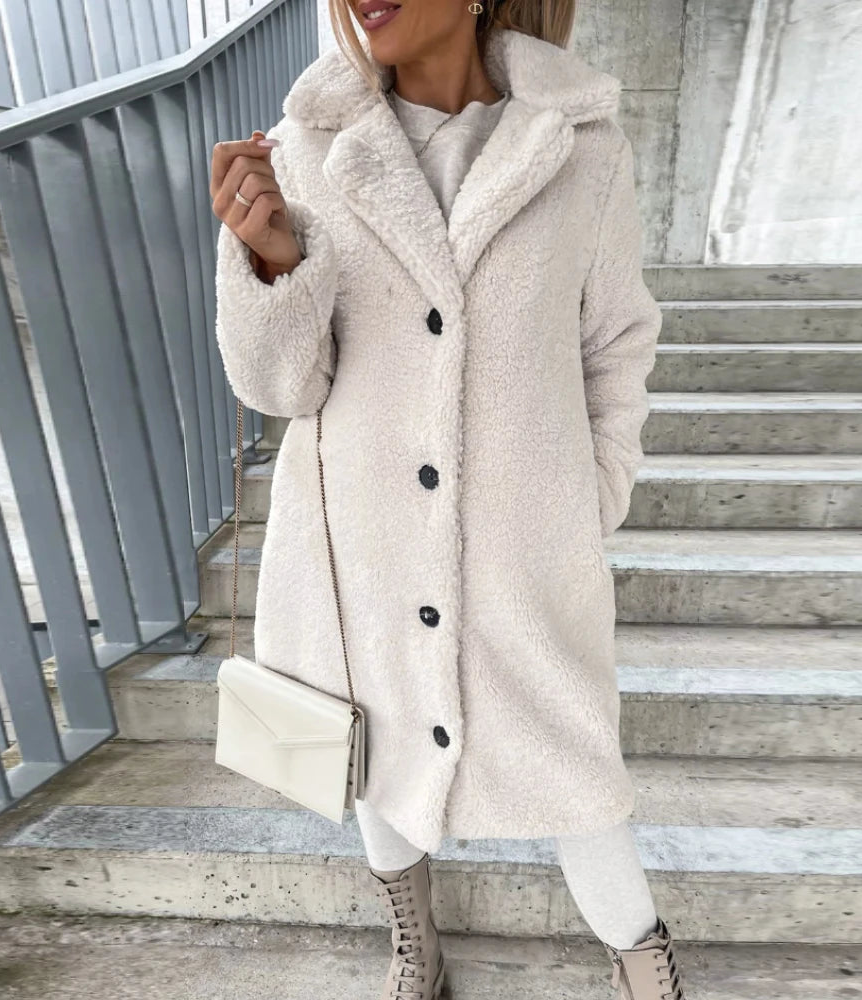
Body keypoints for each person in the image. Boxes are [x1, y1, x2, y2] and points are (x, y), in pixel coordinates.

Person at [209, 0, 686, 996]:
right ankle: (415, 948)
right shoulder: (306, 149)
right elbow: (283, 388)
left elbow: (615, 341)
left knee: (579, 770)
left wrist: (588, 493)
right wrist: (269, 262)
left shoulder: (581, 146)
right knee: (376, 755)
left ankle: (647, 971)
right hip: (362, 540)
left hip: (521, 546)